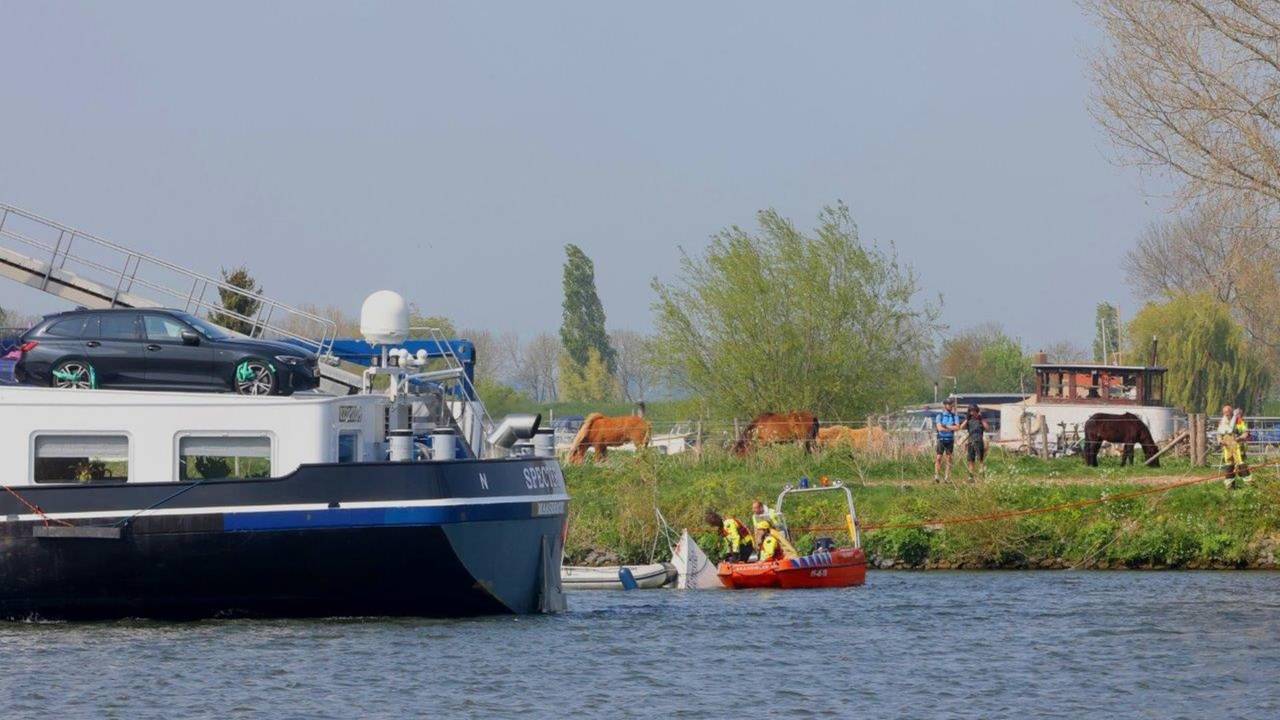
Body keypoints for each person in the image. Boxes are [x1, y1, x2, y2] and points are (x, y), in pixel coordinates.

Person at [934, 398, 963, 483]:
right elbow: (939, 428)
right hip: (941, 439)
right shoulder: (940, 416)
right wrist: (950, 427)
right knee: (938, 458)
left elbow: (957, 427)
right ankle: (937, 476)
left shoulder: (955, 416)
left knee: (949, 458)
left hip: (950, 440)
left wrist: (946, 426)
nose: (951, 406)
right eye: (949, 404)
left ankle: (947, 477)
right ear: (945, 405)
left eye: (952, 404)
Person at [1218, 405, 1243, 487]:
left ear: (1231, 412)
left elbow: (1245, 432)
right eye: (1225, 413)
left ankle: (1249, 484)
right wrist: (1220, 440)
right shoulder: (1222, 422)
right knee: (1229, 466)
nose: (1226, 414)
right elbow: (1219, 434)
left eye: (1228, 412)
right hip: (1227, 448)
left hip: (1237, 447)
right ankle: (1230, 486)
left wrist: (1240, 437)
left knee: (1242, 465)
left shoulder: (1238, 420)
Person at [964, 404, 989, 483]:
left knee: (980, 459)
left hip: (979, 441)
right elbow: (961, 427)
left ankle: (983, 475)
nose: (973, 413)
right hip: (971, 442)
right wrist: (967, 419)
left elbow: (987, 428)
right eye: (971, 411)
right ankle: (971, 477)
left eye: (974, 411)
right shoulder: (969, 421)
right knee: (971, 460)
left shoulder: (980, 420)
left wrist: (981, 419)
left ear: (977, 411)